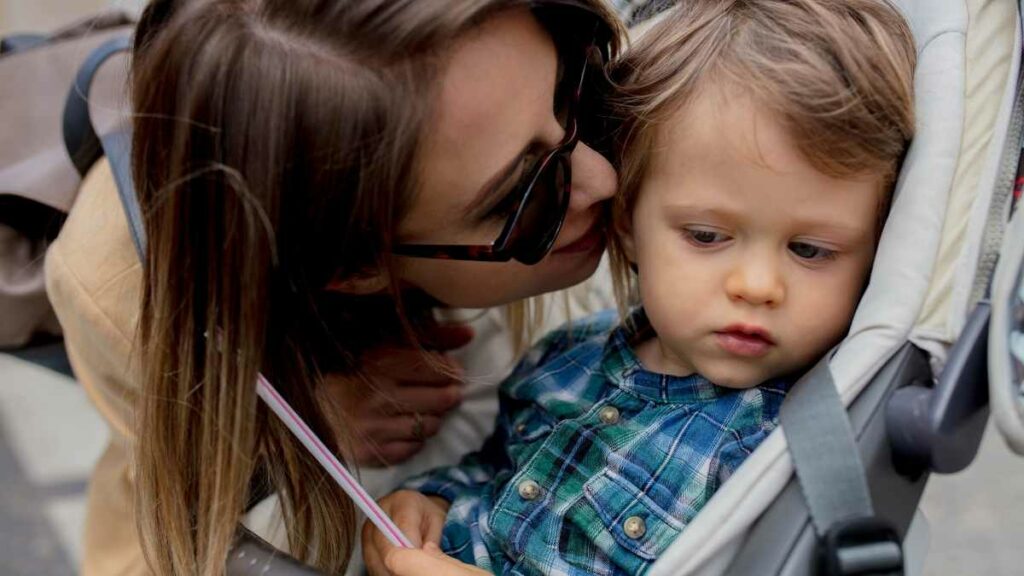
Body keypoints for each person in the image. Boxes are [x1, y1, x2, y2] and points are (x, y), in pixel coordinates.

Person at [43, 0, 632, 574]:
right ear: (355, 269)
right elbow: (182, 496)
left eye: (575, 90)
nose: (603, 177)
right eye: (523, 199)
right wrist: (287, 435)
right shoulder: (120, 289)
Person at [364, 0, 916, 574]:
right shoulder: (565, 359)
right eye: (705, 236)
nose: (756, 286)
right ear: (627, 221)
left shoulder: (779, 456)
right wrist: (429, 502)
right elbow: (496, 468)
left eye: (810, 250)